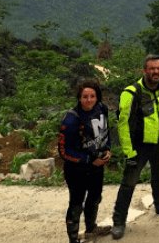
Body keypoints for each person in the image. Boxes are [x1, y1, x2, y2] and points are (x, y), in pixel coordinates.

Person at [111, 55, 159, 240]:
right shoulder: (132, 93)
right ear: (144, 70)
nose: (155, 72)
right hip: (139, 146)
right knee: (129, 183)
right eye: (151, 69)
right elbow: (123, 124)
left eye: (158, 68)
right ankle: (119, 221)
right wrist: (129, 152)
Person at [59, 79, 112, 243]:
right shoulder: (71, 120)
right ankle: (73, 238)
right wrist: (89, 160)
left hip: (97, 166)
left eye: (92, 96)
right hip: (76, 170)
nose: (89, 100)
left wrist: (107, 148)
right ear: (79, 98)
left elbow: (105, 131)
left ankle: (91, 227)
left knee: (95, 197)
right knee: (76, 203)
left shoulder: (102, 109)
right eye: (85, 97)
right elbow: (63, 152)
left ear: (97, 97)